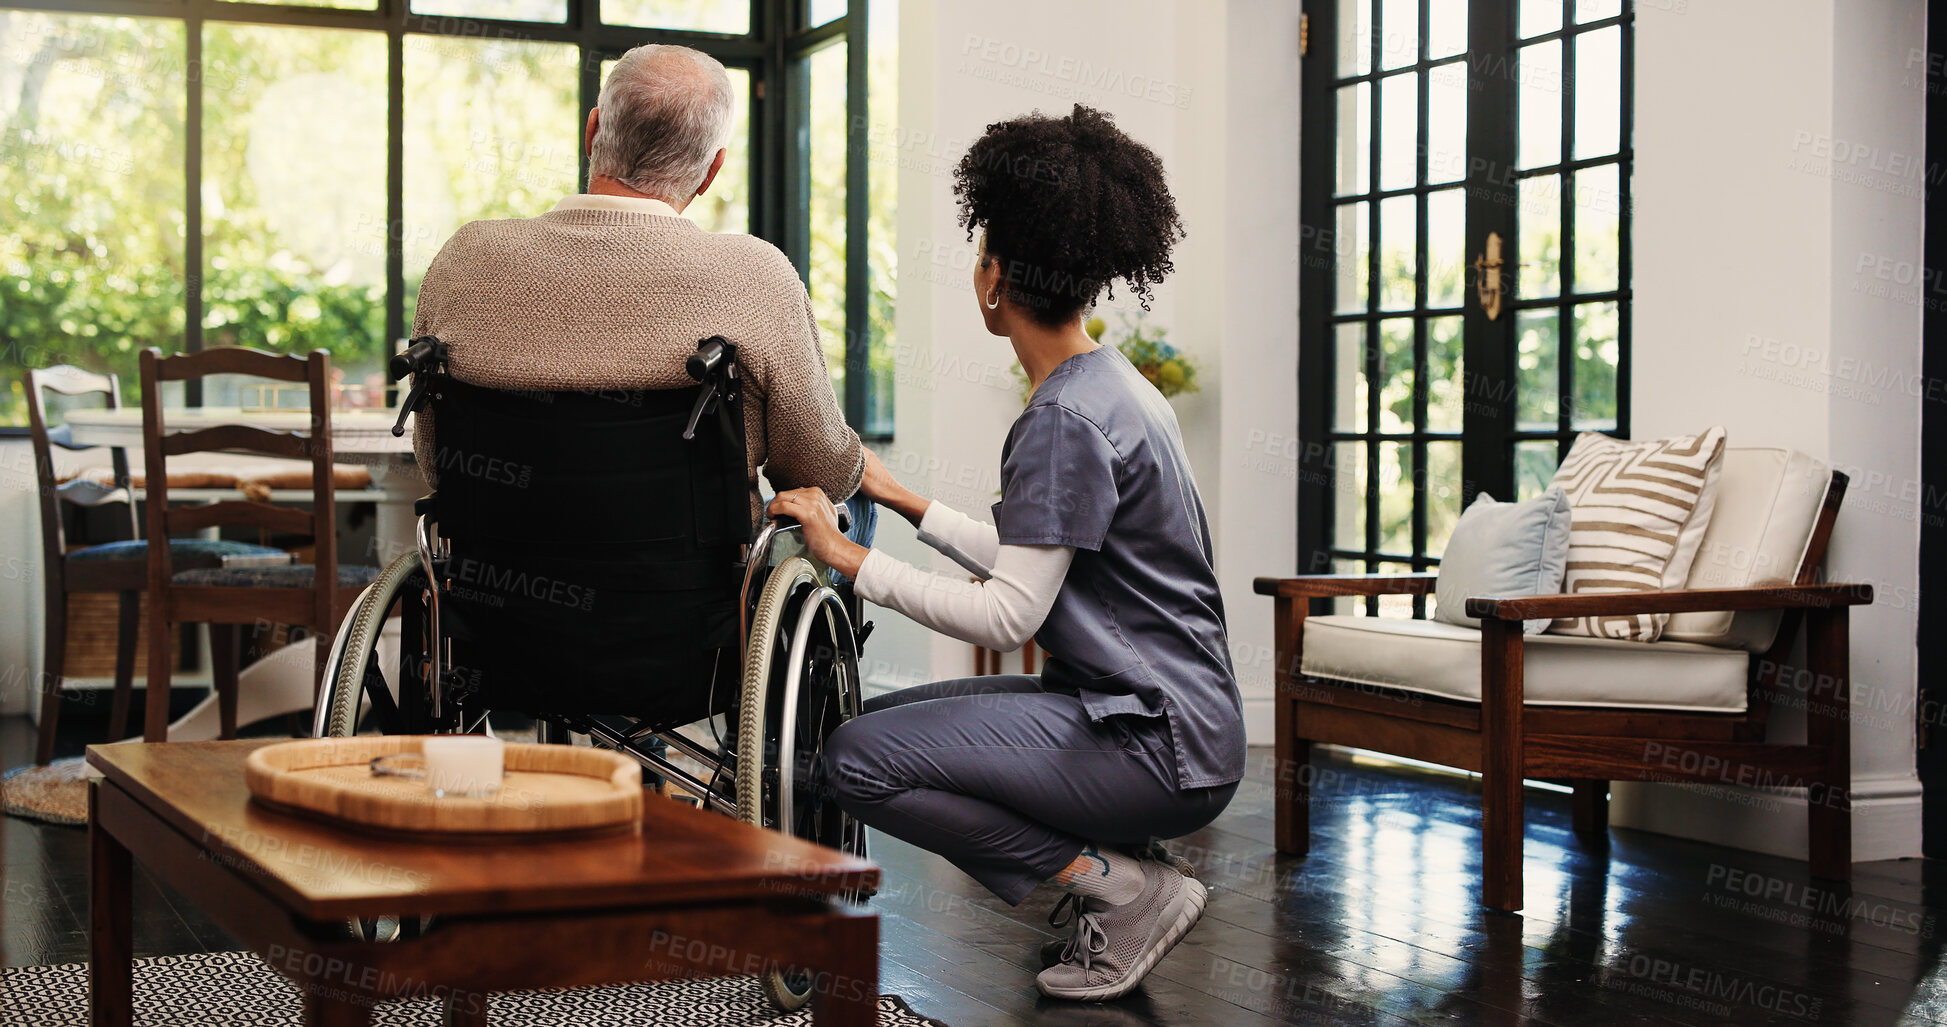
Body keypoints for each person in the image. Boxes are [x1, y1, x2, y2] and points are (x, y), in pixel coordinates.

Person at [767, 104, 1244, 1003]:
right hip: (1174, 723)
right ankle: (1120, 861)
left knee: (859, 758)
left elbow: (1009, 611)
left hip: (1152, 743)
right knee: (909, 718)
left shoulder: (1061, 418)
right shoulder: (1112, 387)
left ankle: (1117, 884)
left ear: (994, 280)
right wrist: (903, 498)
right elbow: (1038, 559)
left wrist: (847, 555)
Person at [409, 43, 861, 524]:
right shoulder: (756, 276)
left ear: (592, 131)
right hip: (697, 591)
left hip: (496, 583)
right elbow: (822, 473)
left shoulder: (466, 257)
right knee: (856, 505)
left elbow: (436, 460)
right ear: (712, 171)